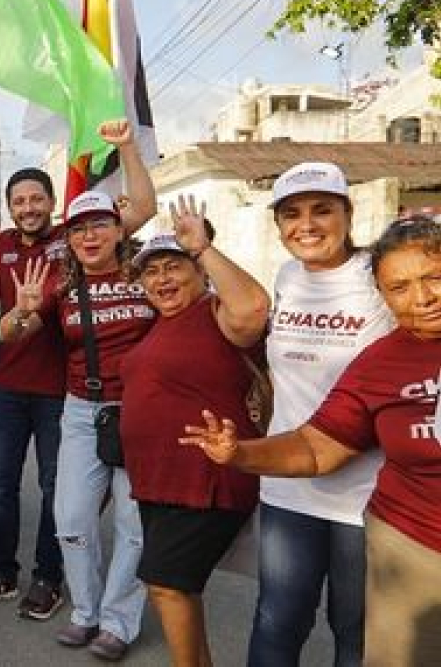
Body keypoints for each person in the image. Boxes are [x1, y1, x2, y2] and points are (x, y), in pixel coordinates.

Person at [183, 215, 441, 666]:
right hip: (415, 545)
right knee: (287, 620)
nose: (422, 299)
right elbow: (318, 445)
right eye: (400, 288)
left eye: (435, 278)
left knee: (351, 625)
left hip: (359, 507)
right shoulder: (379, 362)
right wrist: (239, 452)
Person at [0, 119, 157, 624]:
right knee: (1, 487)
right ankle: (3, 571)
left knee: (60, 494)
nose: (28, 207)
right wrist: (20, 314)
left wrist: (127, 147)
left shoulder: (75, 239)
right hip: (5, 387)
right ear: (10, 208)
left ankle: (48, 579)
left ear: (51, 203)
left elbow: (141, 207)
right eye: (19, 201)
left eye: (36, 199)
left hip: (60, 393)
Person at [242, 161, 393, 667]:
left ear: (348, 214)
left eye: (322, 210)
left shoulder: (379, 278)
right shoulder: (286, 276)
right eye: (291, 214)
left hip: (366, 493)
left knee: (354, 629)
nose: (306, 225)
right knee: (277, 620)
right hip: (288, 487)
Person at [0, 188, 154, 660]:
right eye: (80, 228)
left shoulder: (147, 277)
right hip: (84, 413)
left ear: (118, 230)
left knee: (133, 524)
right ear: (69, 239)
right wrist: (22, 310)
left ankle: (118, 622)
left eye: (100, 225)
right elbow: (6, 335)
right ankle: (85, 611)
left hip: (142, 414)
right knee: (70, 517)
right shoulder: (60, 286)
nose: (90, 235)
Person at [119, 198, 271, 667]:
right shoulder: (161, 325)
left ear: (199, 272)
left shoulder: (216, 312)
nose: (162, 279)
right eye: (152, 271)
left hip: (206, 478)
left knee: (167, 583)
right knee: (177, 588)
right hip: (160, 481)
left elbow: (254, 310)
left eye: (174, 267)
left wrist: (203, 248)